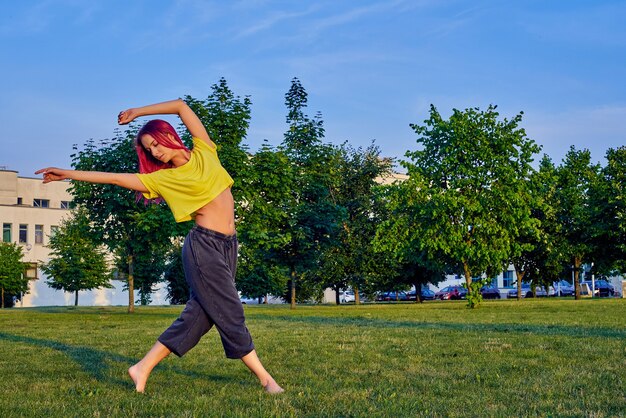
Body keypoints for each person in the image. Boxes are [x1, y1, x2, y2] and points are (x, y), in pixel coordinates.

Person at [36, 99, 284, 394]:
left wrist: (138, 113)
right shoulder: (163, 179)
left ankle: (141, 368)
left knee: (200, 317)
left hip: (228, 245)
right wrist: (69, 173)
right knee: (231, 310)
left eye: (155, 143)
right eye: (149, 149)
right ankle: (266, 380)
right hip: (202, 247)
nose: (155, 151)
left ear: (169, 135)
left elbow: (181, 106)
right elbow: (115, 178)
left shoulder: (205, 150)